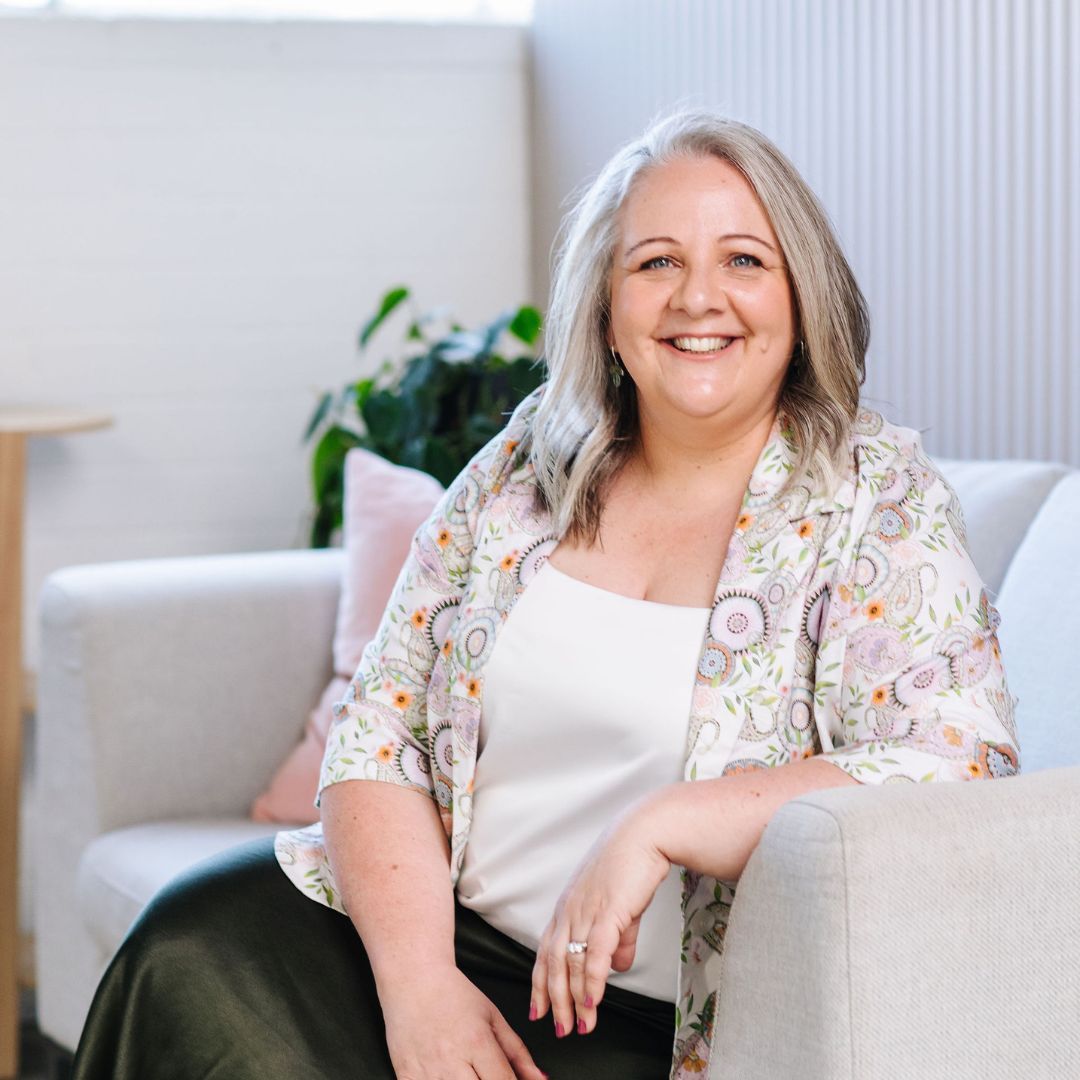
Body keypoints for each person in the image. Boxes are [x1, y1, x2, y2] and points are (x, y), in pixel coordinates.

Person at [73, 109, 1019, 1080]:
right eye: (655, 263)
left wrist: (663, 821)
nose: (699, 298)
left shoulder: (880, 500)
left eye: (743, 260)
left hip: (650, 1020)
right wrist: (420, 990)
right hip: (431, 939)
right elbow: (378, 734)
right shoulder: (530, 466)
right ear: (607, 308)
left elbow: (956, 767)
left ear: (801, 296)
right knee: (180, 955)